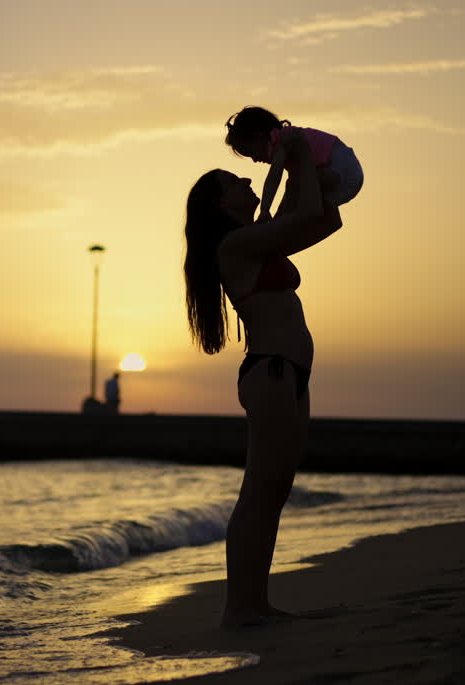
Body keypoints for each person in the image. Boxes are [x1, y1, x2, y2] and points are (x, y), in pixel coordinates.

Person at [183, 129, 343, 628]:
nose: (249, 180)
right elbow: (310, 216)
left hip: (290, 373)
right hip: (271, 372)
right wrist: (296, 161)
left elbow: (327, 219)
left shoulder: (258, 240)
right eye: (235, 181)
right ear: (219, 203)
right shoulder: (235, 244)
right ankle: (239, 608)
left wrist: (306, 171)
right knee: (258, 491)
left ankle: (257, 603)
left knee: (274, 491)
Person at [225, 105, 363, 222]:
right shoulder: (288, 143)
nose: (255, 160)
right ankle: (279, 222)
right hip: (341, 177)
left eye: (252, 153)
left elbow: (274, 177)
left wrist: (265, 210)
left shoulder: (284, 140)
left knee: (293, 186)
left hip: (342, 175)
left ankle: (278, 223)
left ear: (259, 137)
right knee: (293, 188)